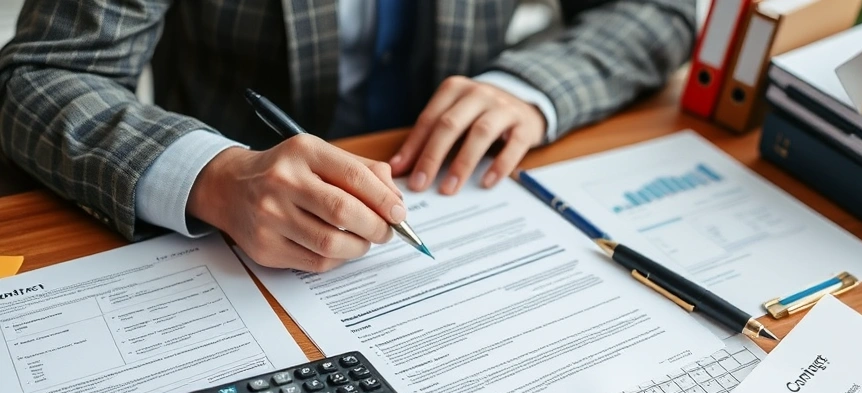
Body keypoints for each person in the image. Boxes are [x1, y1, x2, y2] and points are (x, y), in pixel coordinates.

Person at [0, 0, 696, 272]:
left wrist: (531, 88)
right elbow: (40, 74)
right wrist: (213, 175)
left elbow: (658, 10)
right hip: (222, 244)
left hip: (453, 188)